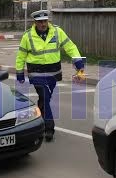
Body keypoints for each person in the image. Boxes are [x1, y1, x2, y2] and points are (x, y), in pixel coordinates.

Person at [15, 9, 83, 142]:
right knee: (45, 97)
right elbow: (21, 55)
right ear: (35, 22)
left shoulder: (57, 32)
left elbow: (70, 47)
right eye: (40, 22)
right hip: (36, 73)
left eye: (45, 21)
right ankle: (49, 129)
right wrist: (19, 72)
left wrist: (78, 61)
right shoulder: (27, 36)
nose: (43, 24)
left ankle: (38, 121)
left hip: (53, 73)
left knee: (44, 99)